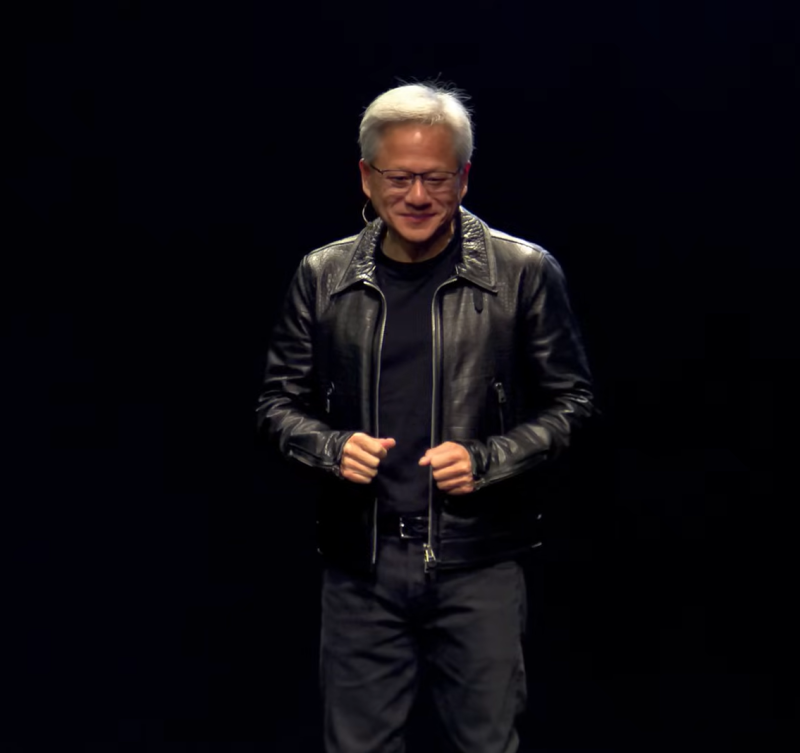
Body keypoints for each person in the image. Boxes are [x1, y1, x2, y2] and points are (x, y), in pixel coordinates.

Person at [256, 82, 594, 753]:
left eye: (436, 178)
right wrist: (331, 448)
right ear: (367, 176)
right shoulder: (323, 275)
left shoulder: (522, 271)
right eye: (400, 177)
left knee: (487, 742)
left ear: (463, 178)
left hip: (478, 561)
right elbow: (276, 404)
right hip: (363, 565)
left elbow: (573, 403)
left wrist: (487, 460)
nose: (417, 195)